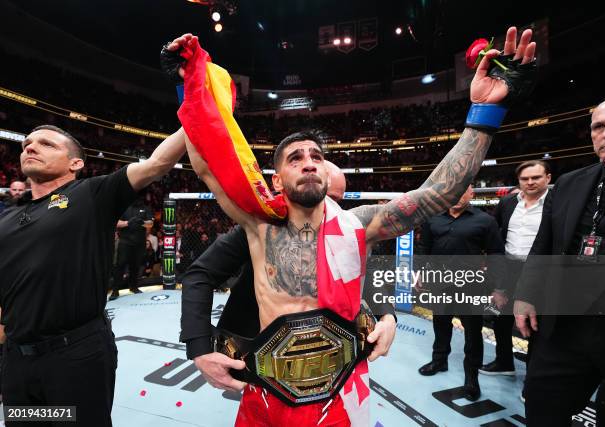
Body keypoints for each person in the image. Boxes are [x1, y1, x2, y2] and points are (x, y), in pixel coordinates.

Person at [178, 26, 537, 425]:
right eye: (295, 158)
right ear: (276, 180)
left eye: (315, 155)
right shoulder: (257, 224)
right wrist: (191, 82)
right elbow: (210, 160)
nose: (310, 161)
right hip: (266, 395)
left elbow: (437, 192)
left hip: (340, 393)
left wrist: (484, 114)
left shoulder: (358, 224)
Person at [0, 37, 187, 426]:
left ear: (75, 163)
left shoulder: (91, 194)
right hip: (17, 360)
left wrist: (192, 92)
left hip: (75, 357)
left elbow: (158, 161)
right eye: (28, 143)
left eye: (46, 143)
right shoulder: (5, 218)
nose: (30, 147)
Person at [180, 161, 397, 380]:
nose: (329, 207)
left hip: (325, 357)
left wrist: (388, 316)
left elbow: (360, 273)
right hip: (260, 352)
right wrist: (199, 347)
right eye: (324, 197)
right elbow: (201, 274)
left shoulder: (343, 229)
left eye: (337, 201)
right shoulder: (263, 227)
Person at [514, 97, 605, 426]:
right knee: (541, 406)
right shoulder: (570, 183)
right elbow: (544, 244)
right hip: (565, 324)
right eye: (599, 126)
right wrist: (526, 293)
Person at [416, 185, 505, 401]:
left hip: (471, 284)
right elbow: (424, 249)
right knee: (440, 322)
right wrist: (418, 273)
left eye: (463, 191)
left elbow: (496, 255)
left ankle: (471, 378)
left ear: (471, 194)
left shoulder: (485, 220)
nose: (457, 196)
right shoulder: (433, 219)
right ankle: (439, 360)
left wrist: (499, 287)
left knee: (473, 331)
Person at [481, 161, 550, 383]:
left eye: (536, 177)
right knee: (500, 318)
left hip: (540, 271)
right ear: (519, 181)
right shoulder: (508, 202)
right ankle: (504, 362)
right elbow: (496, 238)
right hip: (508, 268)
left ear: (547, 178)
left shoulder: (556, 203)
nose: (530, 182)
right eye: (525, 179)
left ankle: (533, 378)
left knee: (536, 325)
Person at [109, 198, 154, 300]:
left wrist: (141, 222)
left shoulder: (145, 208)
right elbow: (116, 223)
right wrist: (128, 223)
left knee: (136, 266)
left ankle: (133, 287)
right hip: (125, 242)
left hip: (139, 243)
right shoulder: (124, 207)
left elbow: (151, 223)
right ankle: (115, 290)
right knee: (120, 265)